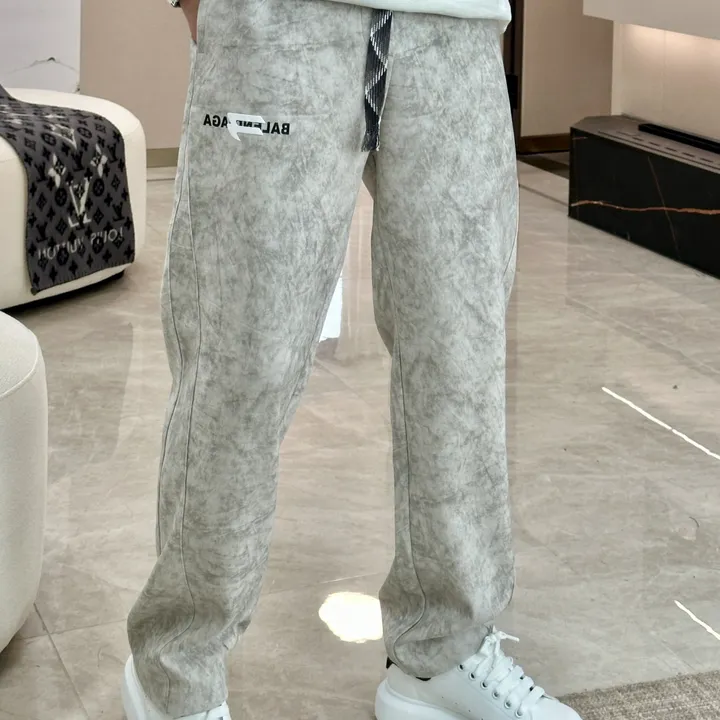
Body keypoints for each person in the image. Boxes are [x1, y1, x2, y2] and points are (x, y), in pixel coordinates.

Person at [123, 0, 584, 719]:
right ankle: (176, 674)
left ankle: (443, 655)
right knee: (242, 361)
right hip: (281, 22)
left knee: (460, 365)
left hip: (458, 34)